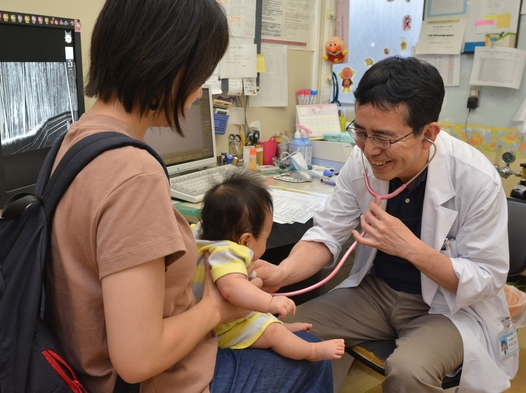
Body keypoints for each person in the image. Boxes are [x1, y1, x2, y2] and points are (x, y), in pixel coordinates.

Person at [43, 1, 333, 392]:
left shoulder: (76, 137)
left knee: (285, 337)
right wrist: (218, 307)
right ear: (170, 66)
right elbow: (138, 359)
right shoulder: (134, 173)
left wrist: (256, 326)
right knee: (313, 360)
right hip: (155, 381)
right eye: (201, 74)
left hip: (83, 365)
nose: (199, 92)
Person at [253, 56, 518, 393]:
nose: (369, 149)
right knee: (272, 330)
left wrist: (411, 249)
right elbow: (327, 233)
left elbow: (487, 277)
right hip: (376, 294)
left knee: (408, 372)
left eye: (384, 138)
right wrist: (283, 273)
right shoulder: (361, 161)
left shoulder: (477, 179)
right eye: (361, 132)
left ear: (428, 134)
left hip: (446, 308)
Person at [193, 170, 345, 361]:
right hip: (222, 329)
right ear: (246, 241)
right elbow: (232, 289)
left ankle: (284, 327)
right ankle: (312, 352)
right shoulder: (229, 253)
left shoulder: (200, 238)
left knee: (259, 312)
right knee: (274, 335)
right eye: (266, 236)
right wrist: (271, 303)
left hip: (214, 322)